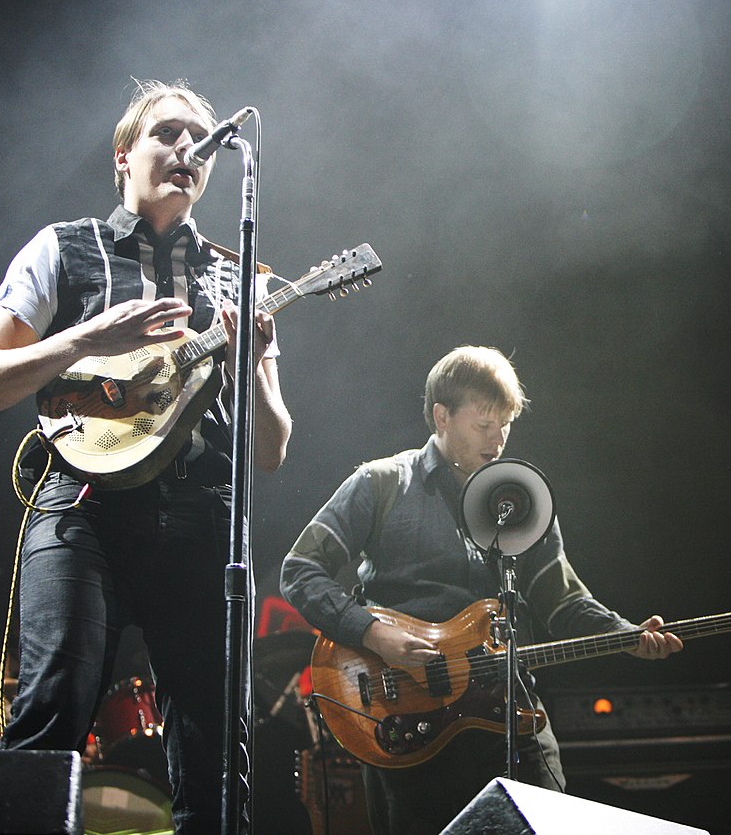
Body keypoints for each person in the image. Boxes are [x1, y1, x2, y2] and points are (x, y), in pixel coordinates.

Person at [0, 79, 292, 833]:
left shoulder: (242, 277)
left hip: (205, 523)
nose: (186, 150)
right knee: (49, 719)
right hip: (83, 513)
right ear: (122, 156)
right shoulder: (62, 248)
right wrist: (82, 340)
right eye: (167, 133)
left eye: (199, 140)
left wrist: (250, 368)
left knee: (216, 759)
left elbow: (269, 448)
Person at [279, 345, 683, 834]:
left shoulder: (521, 501)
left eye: (506, 425)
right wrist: (373, 635)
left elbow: (563, 600)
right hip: (406, 724)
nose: (498, 441)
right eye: (484, 425)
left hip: (508, 713)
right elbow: (301, 570)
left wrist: (626, 633)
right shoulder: (381, 482)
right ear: (441, 416)